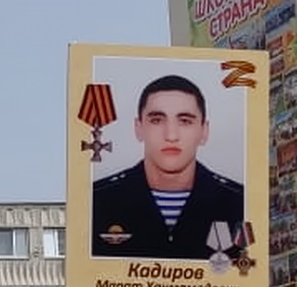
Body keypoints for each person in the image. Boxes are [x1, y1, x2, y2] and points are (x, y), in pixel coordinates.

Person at [90, 74, 247, 262]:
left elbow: (250, 272)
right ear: (138, 128)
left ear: (204, 131)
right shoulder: (97, 201)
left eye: (185, 121)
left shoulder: (240, 203)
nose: (171, 135)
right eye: (157, 120)